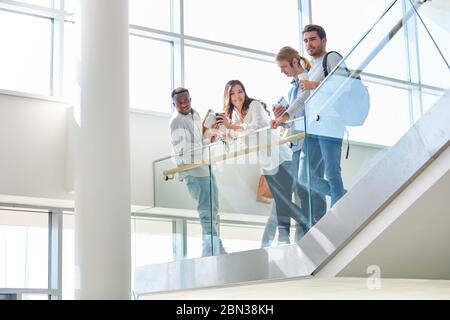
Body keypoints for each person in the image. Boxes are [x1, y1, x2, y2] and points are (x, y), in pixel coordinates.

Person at [217, 80, 310, 244]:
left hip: (280, 157)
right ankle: (290, 235)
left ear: (244, 92)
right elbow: (236, 138)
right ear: (228, 97)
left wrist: (232, 126)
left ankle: (301, 226)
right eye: (233, 93)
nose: (237, 96)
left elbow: (259, 125)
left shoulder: (255, 105)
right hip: (267, 163)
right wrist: (223, 132)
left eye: (240, 91)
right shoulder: (235, 116)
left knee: (283, 202)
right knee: (282, 203)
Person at [272, 24, 346, 212]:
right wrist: (285, 116)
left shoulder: (332, 57)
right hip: (314, 127)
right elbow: (303, 98)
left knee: (332, 173)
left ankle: (338, 213)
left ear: (324, 39)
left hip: (330, 123)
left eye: (313, 39)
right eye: (306, 40)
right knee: (304, 177)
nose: (309, 44)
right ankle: (345, 196)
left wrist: (315, 84)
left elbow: (344, 84)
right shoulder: (312, 69)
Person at [261, 47, 327, 247]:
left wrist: (287, 114)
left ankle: (319, 227)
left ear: (295, 62)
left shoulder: (308, 79)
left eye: (283, 67)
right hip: (297, 142)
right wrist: (283, 115)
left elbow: (307, 105)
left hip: (313, 139)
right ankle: (305, 231)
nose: (282, 71)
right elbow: (294, 119)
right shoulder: (291, 89)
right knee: (301, 186)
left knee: (311, 184)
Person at [169, 87, 226, 257]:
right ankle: (210, 247)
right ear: (174, 104)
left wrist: (210, 137)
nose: (184, 104)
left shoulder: (195, 114)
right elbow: (182, 149)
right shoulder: (175, 121)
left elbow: (200, 140)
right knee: (206, 208)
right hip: (192, 169)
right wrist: (203, 144)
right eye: (180, 102)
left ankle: (216, 244)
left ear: (190, 99)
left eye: (187, 100)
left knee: (214, 206)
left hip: (204, 165)